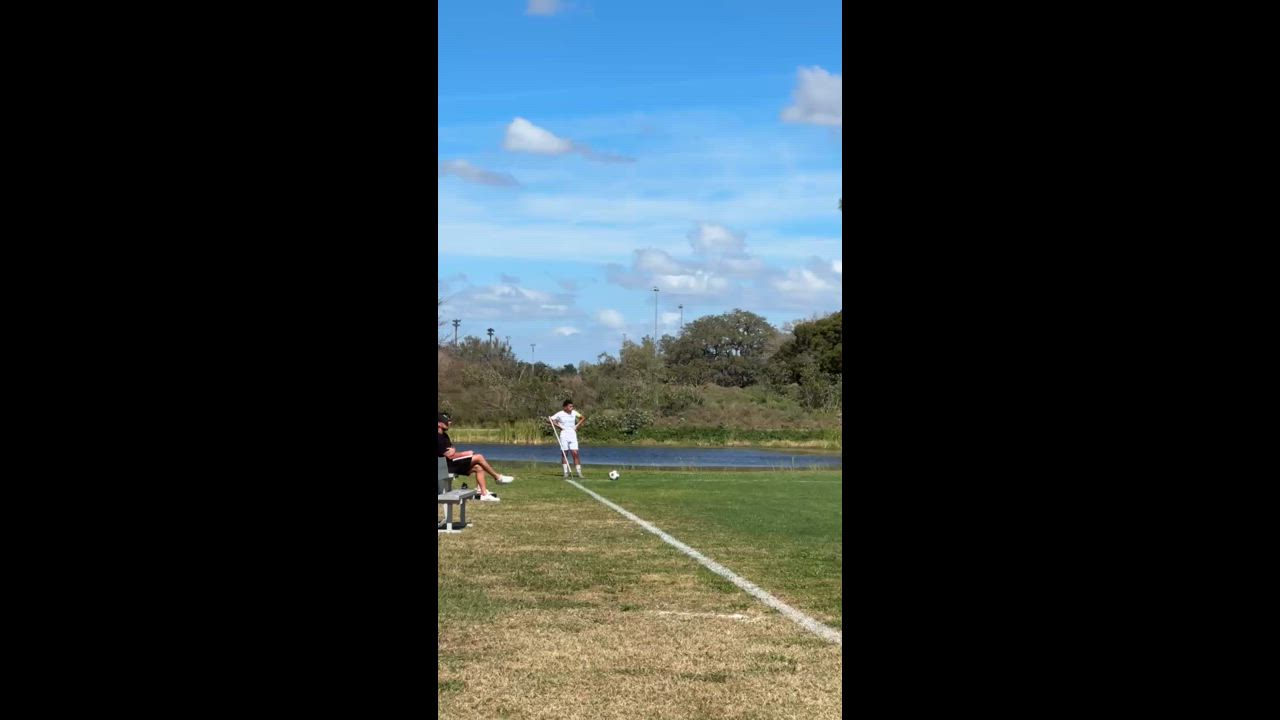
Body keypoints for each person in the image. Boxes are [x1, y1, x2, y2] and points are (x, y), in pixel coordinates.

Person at [437, 412, 513, 502]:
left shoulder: (444, 436)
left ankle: (484, 494)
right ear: (439, 424)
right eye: (446, 422)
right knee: (479, 457)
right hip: (445, 467)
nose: (449, 423)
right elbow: (448, 455)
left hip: (449, 465)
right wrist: (464, 453)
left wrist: (454, 450)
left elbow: (451, 451)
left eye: (449, 421)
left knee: (478, 467)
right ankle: (498, 477)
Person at [548, 400, 585, 478]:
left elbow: (582, 418)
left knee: (575, 453)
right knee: (565, 453)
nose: (572, 408)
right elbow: (550, 420)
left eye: (572, 406)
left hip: (573, 435)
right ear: (565, 407)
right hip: (564, 435)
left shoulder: (574, 412)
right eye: (570, 406)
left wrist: (577, 426)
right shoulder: (560, 414)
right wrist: (559, 427)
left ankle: (579, 472)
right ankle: (566, 472)